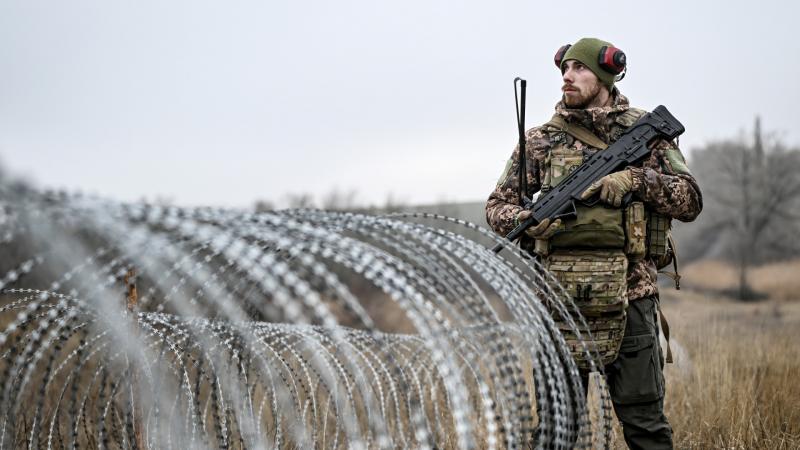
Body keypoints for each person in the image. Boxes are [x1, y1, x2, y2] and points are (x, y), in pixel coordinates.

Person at [485, 37, 702, 449]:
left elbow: (690, 200)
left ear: (605, 73)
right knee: (556, 432)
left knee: (646, 428)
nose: (568, 77)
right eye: (564, 69)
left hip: (631, 297)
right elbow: (497, 207)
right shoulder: (540, 140)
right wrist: (526, 221)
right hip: (558, 302)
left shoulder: (646, 133)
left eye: (579, 68)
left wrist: (636, 180)